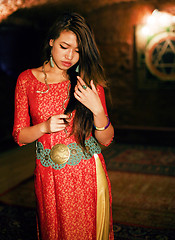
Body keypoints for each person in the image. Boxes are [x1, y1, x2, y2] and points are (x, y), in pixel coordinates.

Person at [13, 12, 114, 240]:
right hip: (49, 174)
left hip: (86, 171)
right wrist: (44, 127)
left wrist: (97, 110)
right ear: (51, 42)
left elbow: (106, 139)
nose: (70, 56)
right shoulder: (26, 80)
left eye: (78, 50)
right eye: (64, 46)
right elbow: (19, 136)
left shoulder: (87, 82)